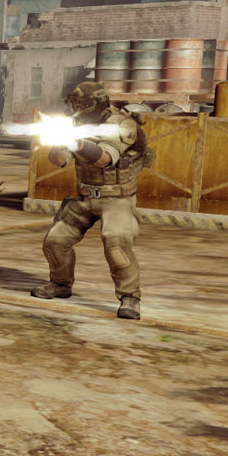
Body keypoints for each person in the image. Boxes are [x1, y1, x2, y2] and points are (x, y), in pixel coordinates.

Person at [31, 80, 146, 320]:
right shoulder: (76, 123)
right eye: (75, 105)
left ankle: (130, 297)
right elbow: (60, 161)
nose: (77, 111)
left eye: (82, 106)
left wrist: (76, 143)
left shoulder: (122, 124)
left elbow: (105, 158)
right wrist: (59, 144)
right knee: (55, 241)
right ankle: (61, 284)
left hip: (117, 198)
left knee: (116, 243)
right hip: (85, 196)